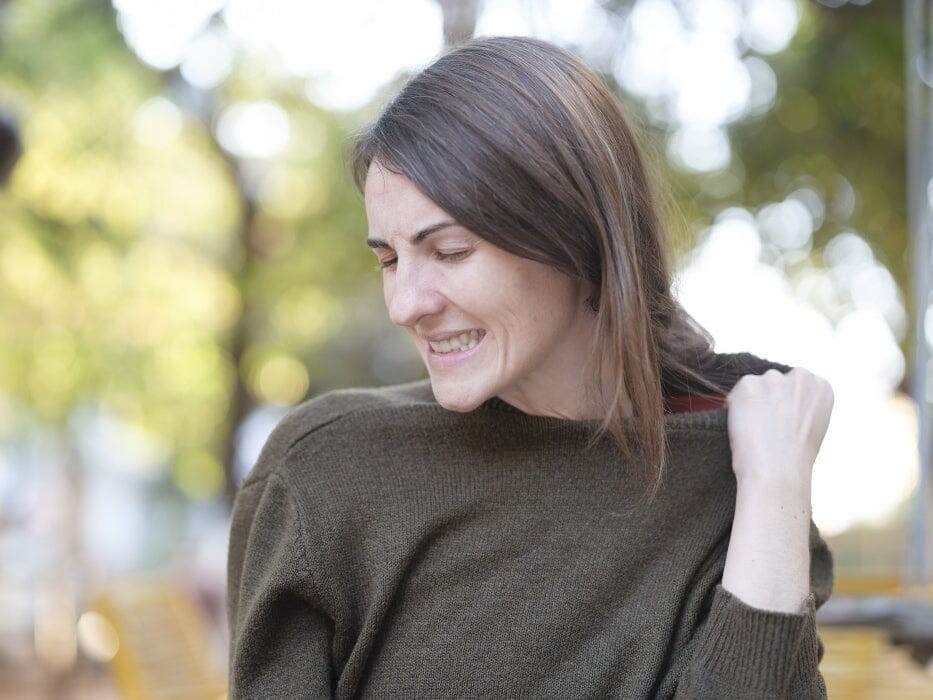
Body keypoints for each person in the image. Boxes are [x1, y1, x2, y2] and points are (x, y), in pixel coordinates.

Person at [227, 36, 834, 699]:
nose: (405, 305)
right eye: (390, 259)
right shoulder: (327, 470)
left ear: (579, 237)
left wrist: (775, 488)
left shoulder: (739, 479)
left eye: (450, 251)